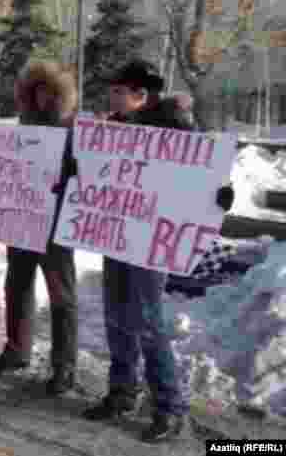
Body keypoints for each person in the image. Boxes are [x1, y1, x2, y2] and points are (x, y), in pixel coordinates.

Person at [83, 59, 235, 443]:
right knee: (117, 315)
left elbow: (204, 169)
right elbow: (96, 170)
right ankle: (122, 392)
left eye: (119, 91)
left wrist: (219, 193)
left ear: (141, 95)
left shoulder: (174, 126)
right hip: (117, 231)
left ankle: (170, 408)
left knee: (148, 322)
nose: (111, 97)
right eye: (112, 90)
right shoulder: (114, 127)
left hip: (152, 239)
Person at [0, 61, 80, 395]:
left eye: (48, 92)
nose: (41, 99)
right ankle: (16, 349)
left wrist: (67, 178)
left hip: (56, 223)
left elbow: (87, 178)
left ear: (59, 95)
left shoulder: (73, 130)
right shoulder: (24, 125)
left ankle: (64, 366)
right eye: (35, 92)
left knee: (61, 296)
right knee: (17, 284)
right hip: (22, 218)